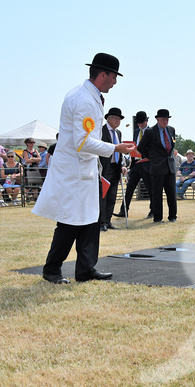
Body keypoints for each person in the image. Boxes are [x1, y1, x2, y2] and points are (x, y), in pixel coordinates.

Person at [32, 52, 135, 284]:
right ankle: (52, 269)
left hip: (85, 168)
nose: (115, 82)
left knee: (90, 220)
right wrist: (115, 148)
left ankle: (86, 268)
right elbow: (82, 142)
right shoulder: (84, 99)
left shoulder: (87, 95)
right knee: (70, 221)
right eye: (114, 76)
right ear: (103, 74)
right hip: (74, 170)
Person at [137, 109, 177, 223]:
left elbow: (171, 145)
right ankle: (158, 217)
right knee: (157, 194)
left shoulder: (171, 130)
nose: (166, 122)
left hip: (170, 167)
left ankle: (173, 216)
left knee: (172, 193)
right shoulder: (150, 132)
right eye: (163, 119)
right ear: (157, 119)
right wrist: (151, 157)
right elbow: (140, 148)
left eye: (167, 119)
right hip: (157, 167)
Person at [114, 110, 153, 219]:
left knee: (150, 189)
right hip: (136, 163)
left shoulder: (151, 132)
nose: (140, 125)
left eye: (142, 122)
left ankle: (153, 210)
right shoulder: (136, 132)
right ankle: (123, 210)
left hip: (146, 163)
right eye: (139, 123)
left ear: (147, 121)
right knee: (129, 188)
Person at [99, 107, 126, 231]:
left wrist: (122, 165)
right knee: (103, 195)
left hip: (116, 167)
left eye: (119, 118)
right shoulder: (101, 130)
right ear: (108, 118)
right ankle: (102, 222)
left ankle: (108, 220)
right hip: (105, 167)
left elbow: (119, 151)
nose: (118, 121)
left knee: (112, 195)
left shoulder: (118, 133)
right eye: (115, 118)